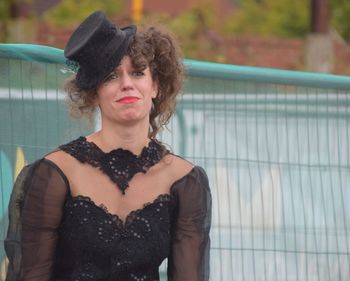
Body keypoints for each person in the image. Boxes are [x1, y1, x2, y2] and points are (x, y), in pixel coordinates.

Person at [4, 11, 211, 281]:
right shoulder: (54, 173)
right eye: (111, 77)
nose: (126, 84)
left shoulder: (185, 180)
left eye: (137, 73)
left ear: (155, 86)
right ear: (94, 93)